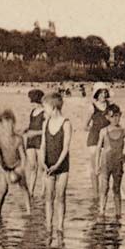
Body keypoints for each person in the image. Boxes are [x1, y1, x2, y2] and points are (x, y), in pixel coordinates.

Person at [95, 104, 125, 219]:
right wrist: (96, 165)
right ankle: (101, 212)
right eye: (112, 116)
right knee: (104, 188)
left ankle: (118, 215)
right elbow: (98, 149)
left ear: (120, 115)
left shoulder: (124, 131)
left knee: (116, 189)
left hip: (118, 164)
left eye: (117, 116)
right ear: (107, 117)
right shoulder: (104, 131)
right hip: (105, 164)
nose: (115, 119)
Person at [41, 92, 72, 232]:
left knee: (60, 196)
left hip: (62, 165)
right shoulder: (45, 123)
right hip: (48, 164)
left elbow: (66, 148)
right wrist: (43, 162)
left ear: (53, 107)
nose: (44, 110)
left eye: (45, 107)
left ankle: (60, 226)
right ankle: (48, 225)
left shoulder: (66, 123)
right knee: (48, 196)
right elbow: (43, 145)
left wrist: (57, 165)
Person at [0, 109, 31, 216]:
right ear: (2, 125)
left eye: (11, 125)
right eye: (6, 125)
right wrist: (4, 172)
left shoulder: (18, 139)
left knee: (24, 188)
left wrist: (21, 169)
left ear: (14, 124)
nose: (9, 128)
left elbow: (23, 156)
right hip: (5, 167)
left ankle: (29, 211)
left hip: (17, 165)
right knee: (3, 190)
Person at [85, 83, 111, 198]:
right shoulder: (92, 107)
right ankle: (95, 194)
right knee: (95, 166)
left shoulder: (110, 106)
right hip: (94, 139)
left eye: (105, 92)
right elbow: (85, 126)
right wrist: (96, 129)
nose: (103, 95)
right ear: (96, 94)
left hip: (107, 139)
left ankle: (103, 193)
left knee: (105, 166)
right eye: (101, 93)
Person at [22, 89, 46, 197]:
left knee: (42, 168)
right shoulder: (32, 112)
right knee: (32, 167)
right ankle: (31, 191)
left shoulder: (45, 112)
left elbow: (46, 130)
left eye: (31, 100)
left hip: (40, 140)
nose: (30, 102)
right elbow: (32, 125)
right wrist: (26, 129)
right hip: (31, 140)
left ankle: (43, 192)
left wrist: (33, 133)